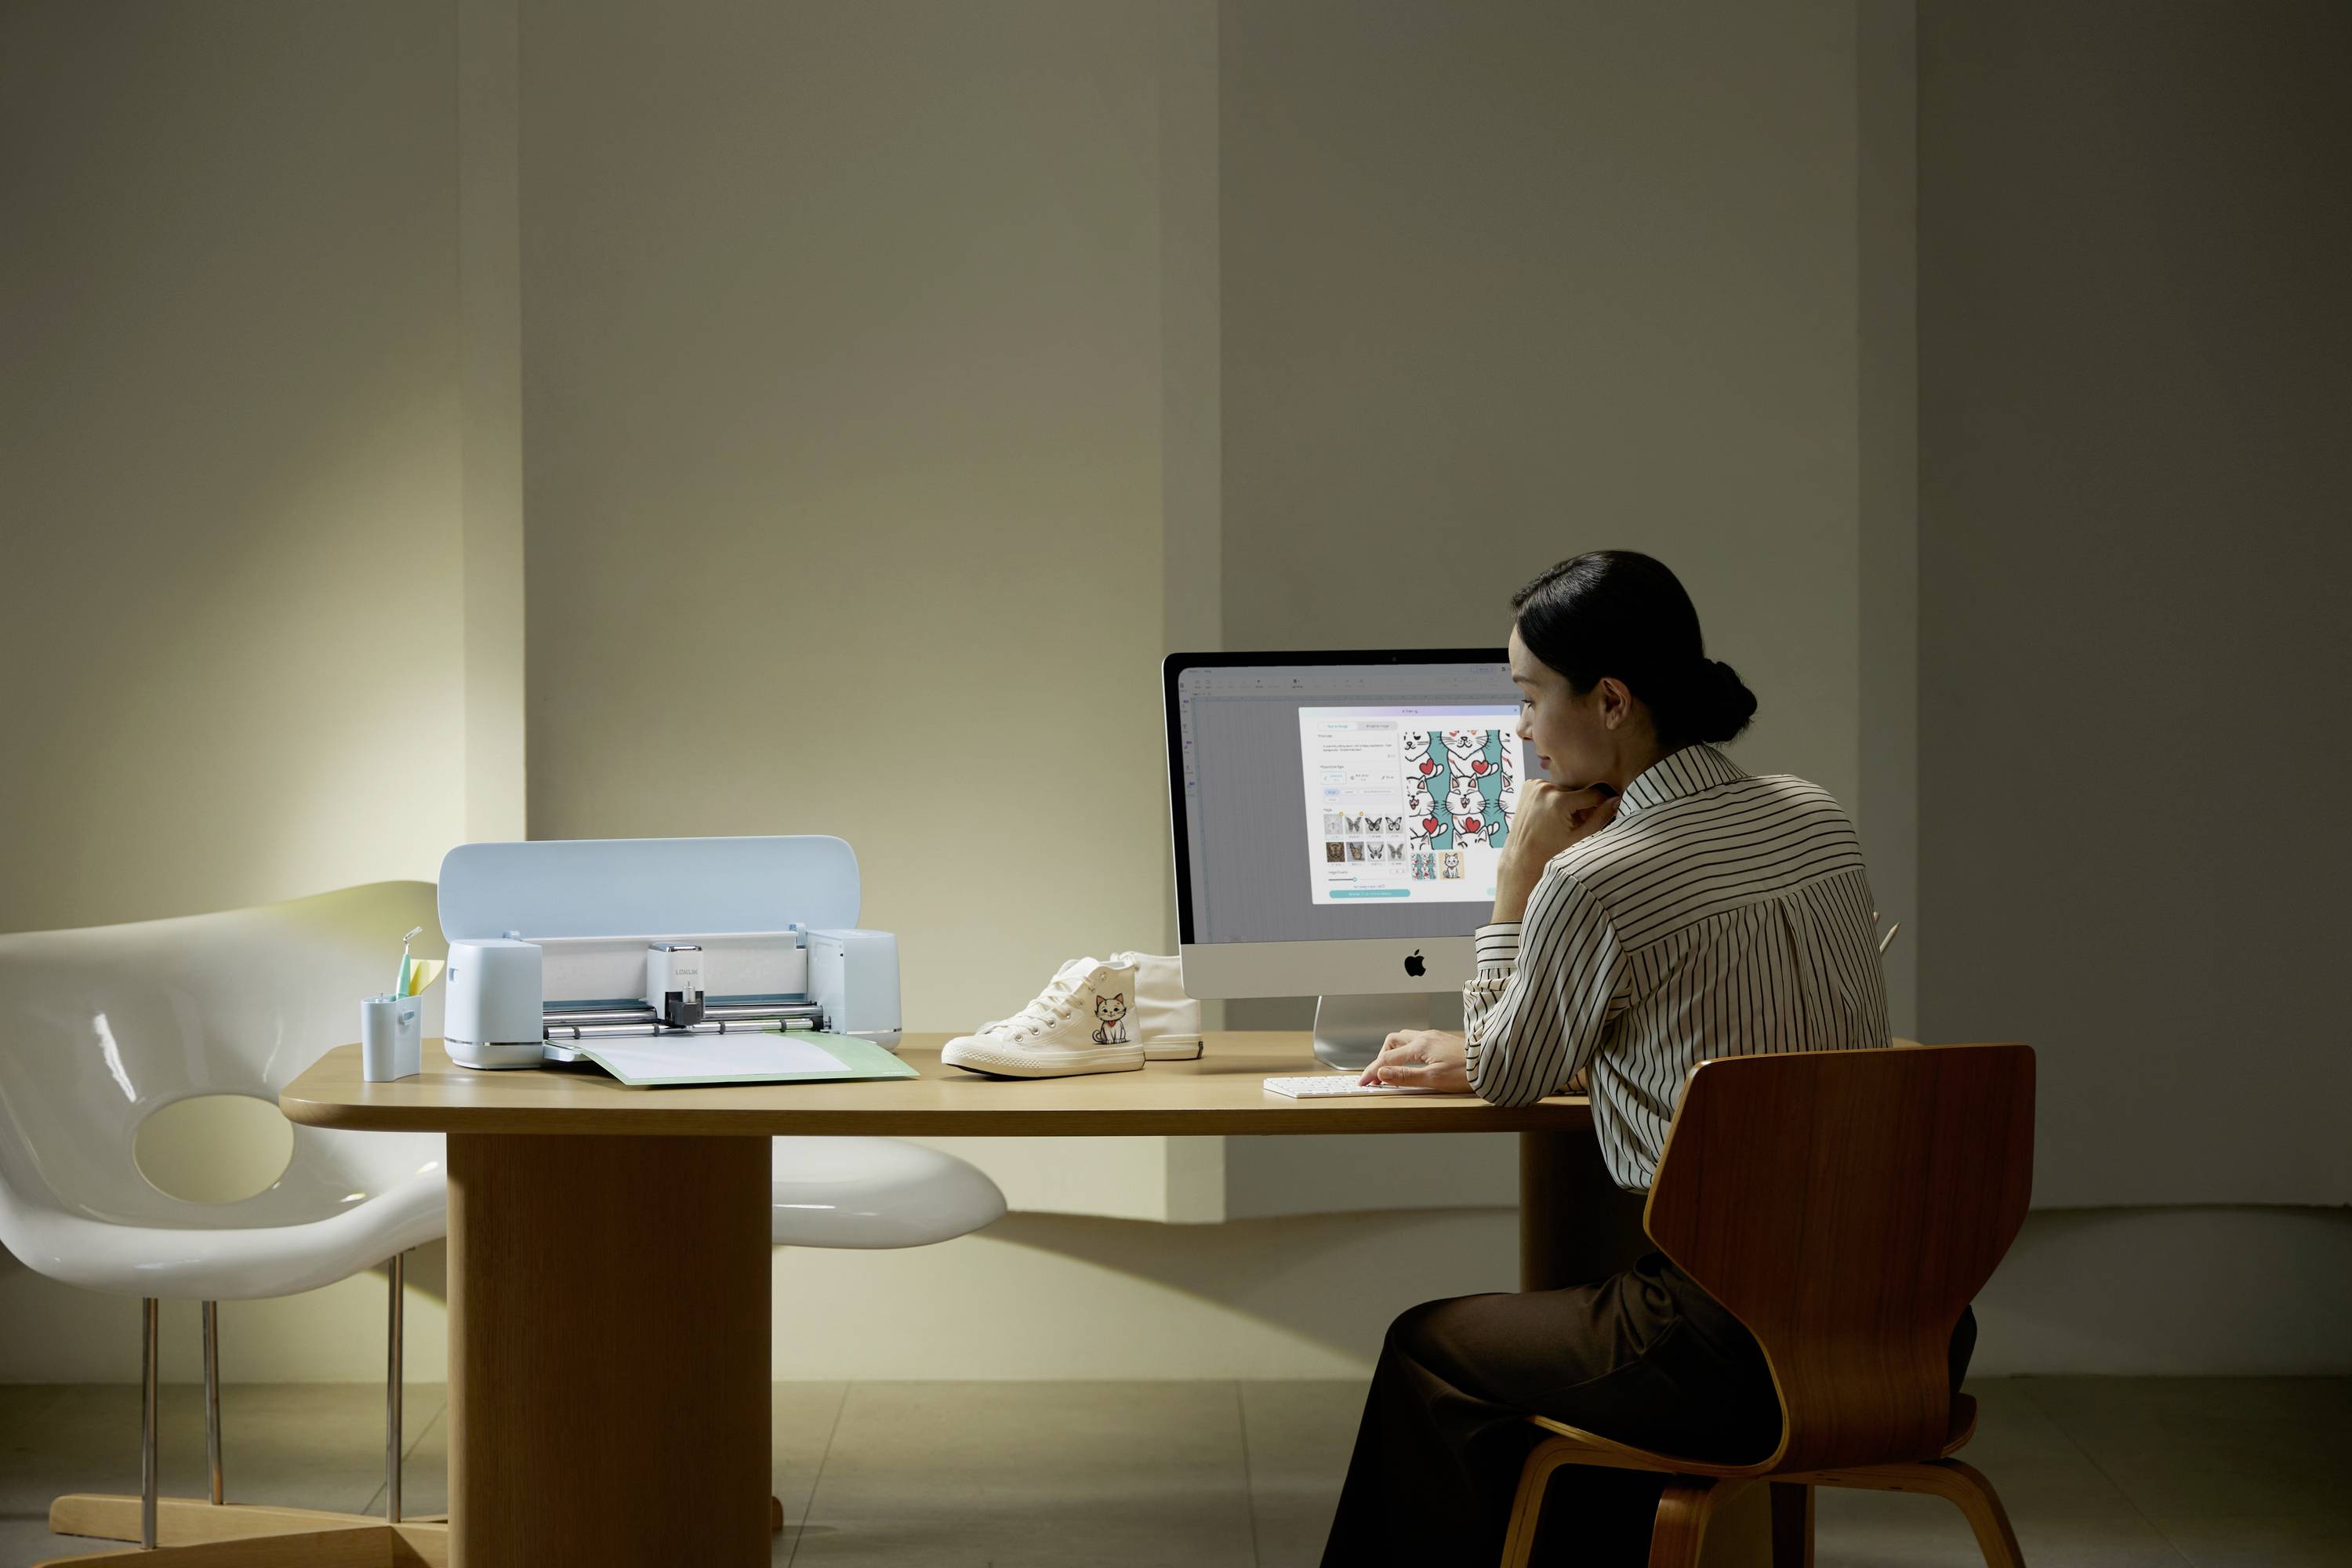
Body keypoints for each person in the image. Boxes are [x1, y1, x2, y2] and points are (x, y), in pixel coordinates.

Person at [1320, 550, 1973, 1565]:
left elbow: (1503, 1074)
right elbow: (1742, 1041)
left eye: (1530, 699)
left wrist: (1516, 880)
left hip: (1734, 1355)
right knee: (1566, 1353)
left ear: (1612, 700)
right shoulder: (1818, 817)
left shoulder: (1593, 875)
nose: (1522, 731)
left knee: (1431, 1350)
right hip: (1909, 1327)